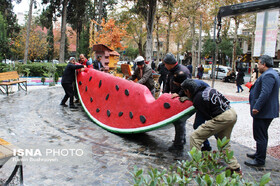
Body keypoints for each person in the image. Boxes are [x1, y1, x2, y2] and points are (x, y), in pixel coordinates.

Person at [181, 78, 241, 173]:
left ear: (187, 91)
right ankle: (235, 168)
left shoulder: (198, 98)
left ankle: (196, 167)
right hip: (232, 113)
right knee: (223, 143)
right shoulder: (206, 89)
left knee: (195, 137)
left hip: (222, 117)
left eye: (184, 92)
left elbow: (206, 116)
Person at [244, 55, 280, 167]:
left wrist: (257, 107)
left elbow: (265, 92)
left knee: (260, 135)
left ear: (264, 64)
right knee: (261, 134)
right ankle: (259, 153)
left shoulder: (269, 75)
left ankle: (259, 160)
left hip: (264, 111)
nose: (258, 66)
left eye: (259, 64)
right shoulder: (271, 73)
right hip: (266, 111)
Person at [172, 70, 212, 151]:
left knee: (200, 126)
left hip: (206, 104)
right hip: (204, 103)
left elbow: (198, 100)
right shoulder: (188, 84)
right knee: (198, 126)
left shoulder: (196, 90)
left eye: (177, 84)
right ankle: (207, 145)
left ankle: (209, 146)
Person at [162, 53, 191, 151]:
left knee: (180, 121)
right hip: (174, 97)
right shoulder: (170, 70)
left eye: (165, 64)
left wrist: (179, 94)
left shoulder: (183, 71)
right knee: (178, 121)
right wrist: (164, 95)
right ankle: (181, 139)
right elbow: (167, 83)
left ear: (170, 64)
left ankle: (178, 145)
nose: (165, 66)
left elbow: (187, 85)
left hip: (182, 98)